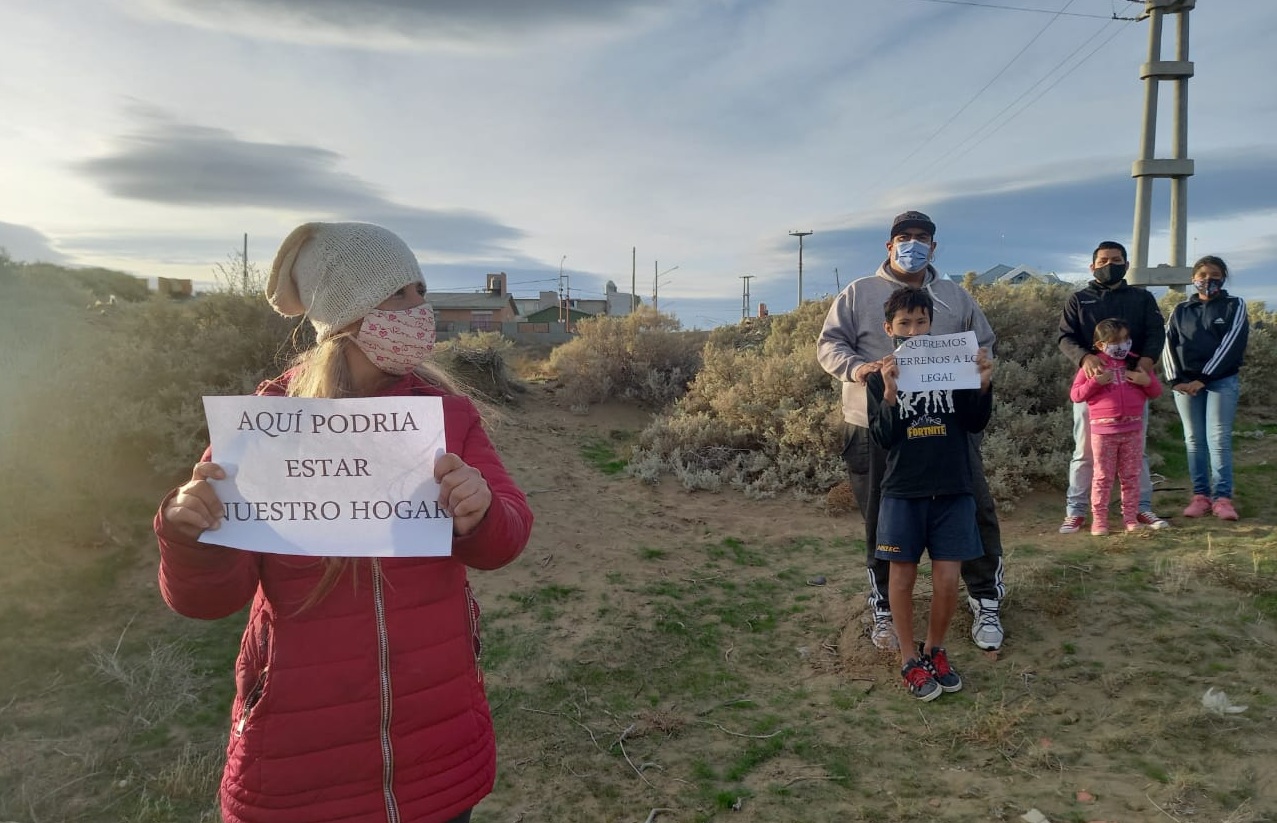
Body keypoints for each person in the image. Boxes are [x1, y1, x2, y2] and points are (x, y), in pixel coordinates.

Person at [153, 222, 534, 823]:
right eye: (399, 294)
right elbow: (208, 600)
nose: (420, 309)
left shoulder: (447, 416)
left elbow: (507, 537)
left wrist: (481, 512)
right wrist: (189, 534)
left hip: (436, 750)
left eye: (420, 290)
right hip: (297, 766)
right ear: (349, 312)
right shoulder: (266, 425)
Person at [818, 210, 1006, 653]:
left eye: (922, 238)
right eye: (904, 237)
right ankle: (884, 607)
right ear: (889, 245)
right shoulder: (858, 293)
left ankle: (985, 599)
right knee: (880, 518)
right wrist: (860, 369)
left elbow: (984, 343)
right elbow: (829, 344)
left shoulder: (956, 297)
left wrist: (978, 367)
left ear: (934, 247)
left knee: (974, 507)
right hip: (875, 427)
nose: (913, 244)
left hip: (949, 427)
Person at [865, 288, 994, 700]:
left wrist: (983, 384)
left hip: (953, 485)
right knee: (900, 577)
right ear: (889, 329)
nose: (914, 330)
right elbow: (884, 437)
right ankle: (907, 657)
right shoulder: (878, 374)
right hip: (903, 489)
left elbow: (975, 423)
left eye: (921, 322)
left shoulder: (955, 364)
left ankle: (934, 649)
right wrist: (888, 395)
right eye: (904, 324)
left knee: (948, 578)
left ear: (931, 324)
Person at [1057, 241, 1169, 534]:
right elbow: (1065, 337)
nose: (1110, 265)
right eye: (1103, 260)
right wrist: (1085, 358)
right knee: (1084, 453)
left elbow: (1157, 332)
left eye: (1116, 260)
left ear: (1126, 264)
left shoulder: (1142, 298)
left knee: (1137, 452)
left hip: (1134, 386)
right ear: (1092, 266)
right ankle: (1077, 511)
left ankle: (1141, 508)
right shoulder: (1079, 299)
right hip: (1094, 389)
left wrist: (1146, 361)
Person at [1162, 255, 1250, 520]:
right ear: (1193, 279)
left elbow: (1232, 344)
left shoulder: (1234, 305)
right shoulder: (1180, 309)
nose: (1208, 280)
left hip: (1220, 382)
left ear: (1223, 278)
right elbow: (1168, 343)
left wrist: (1205, 378)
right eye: (1202, 276)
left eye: (1214, 275)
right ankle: (1200, 496)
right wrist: (1175, 380)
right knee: (1193, 440)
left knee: (1219, 439)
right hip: (1186, 384)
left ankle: (1222, 498)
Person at [1069, 319, 1164, 535]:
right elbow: (1076, 395)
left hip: (1132, 431)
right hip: (1104, 433)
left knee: (1131, 475)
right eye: (1116, 341)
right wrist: (1096, 382)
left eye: (1126, 339)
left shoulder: (1136, 363)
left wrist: (1145, 381)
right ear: (1101, 345)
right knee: (1102, 476)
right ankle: (1099, 521)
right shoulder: (1093, 366)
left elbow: (1156, 392)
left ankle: (1130, 518)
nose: (1123, 344)